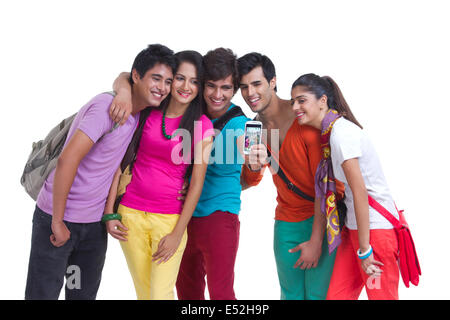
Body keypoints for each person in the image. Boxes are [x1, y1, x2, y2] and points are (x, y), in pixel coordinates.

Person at [24, 44, 175, 300]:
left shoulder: (138, 113)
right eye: (156, 78)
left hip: (92, 228)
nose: (162, 87)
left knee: (81, 294)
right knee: (43, 295)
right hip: (58, 219)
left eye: (168, 81)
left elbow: (115, 167)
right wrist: (58, 222)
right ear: (137, 76)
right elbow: (67, 161)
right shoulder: (107, 108)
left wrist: (106, 215)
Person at [104, 50, 214, 300]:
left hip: (169, 220)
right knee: (144, 293)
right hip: (130, 216)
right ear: (170, 79)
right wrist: (110, 212)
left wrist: (177, 233)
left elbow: (197, 183)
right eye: (180, 78)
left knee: (160, 294)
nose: (186, 87)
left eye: (195, 81)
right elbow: (120, 163)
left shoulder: (202, 125)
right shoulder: (148, 110)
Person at [238, 53, 342, 300]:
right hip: (286, 223)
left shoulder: (303, 116)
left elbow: (325, 185)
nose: (250, 92)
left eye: (256, 84)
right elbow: (250, 180)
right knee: (290, 295)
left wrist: (317, 240)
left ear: (273, 82)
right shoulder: (255, 128)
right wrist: (253, 166)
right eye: (243, 86)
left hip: (324, 220)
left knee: (318, 295)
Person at [290, 73, 400, 300]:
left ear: (323, 101)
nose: (295, 107)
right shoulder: (330, 135)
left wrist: (366, 249)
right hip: (356, 230)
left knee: (381, 296)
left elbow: (359, 192)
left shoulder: (341, 134)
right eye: (293, 101)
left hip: (374, 233)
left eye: (301, 100)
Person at [175, 48, 250, 300]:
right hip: (182, 216)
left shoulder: (241, 124)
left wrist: (254, 159)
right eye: (211, 86)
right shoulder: (192, 109)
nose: (218, 95)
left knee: (221, 293)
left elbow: (249, 149)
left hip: (219, 216)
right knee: (187, 292)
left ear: (235, 88)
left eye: (226, 88)